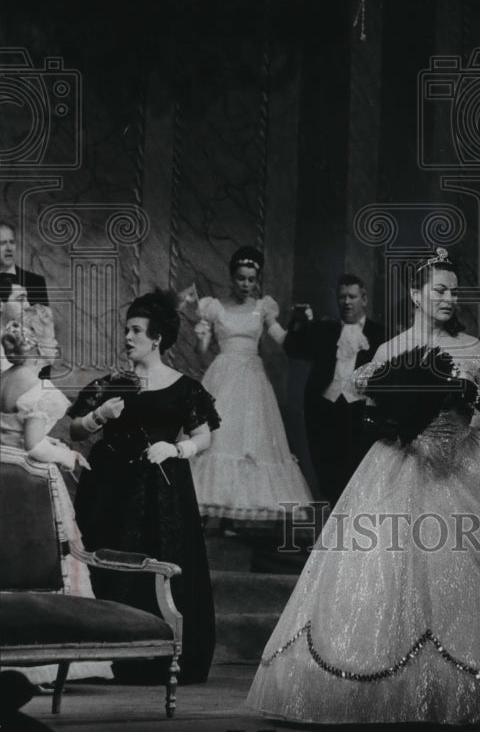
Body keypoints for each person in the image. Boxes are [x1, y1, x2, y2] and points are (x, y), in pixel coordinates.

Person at [246, 250, 480, 725]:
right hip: (402, 463)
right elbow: (366, 414)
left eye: (453, 290)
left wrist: (471, 394)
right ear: (415, 294)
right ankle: (393, 693)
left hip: (469, 461)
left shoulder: (472, 346)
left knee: (474, 575)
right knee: (390, 572)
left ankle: (469, 693)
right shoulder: (391, 349)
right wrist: (400, 421)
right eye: (438, 289)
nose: (447, 297)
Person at [68, 289, 220, 685]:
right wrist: (99, 415)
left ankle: (162, 656)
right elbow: (74, 429)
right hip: (110, 493)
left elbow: (204, 436)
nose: (128, 337)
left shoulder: (185, 388)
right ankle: (111, 657)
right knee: (111, 566)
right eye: (127, 329)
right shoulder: (111, 384)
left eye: (136, 330)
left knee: (161, 566)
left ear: (157, 338)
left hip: (163, 497)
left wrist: (177, 447)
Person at [0, 306, 112, 686]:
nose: (57, 346)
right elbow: (33, 446)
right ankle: (42, 664)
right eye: (53, 339)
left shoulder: (4, 378)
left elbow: (11, 437)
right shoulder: (38, 389)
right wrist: (68, 454)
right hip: (30, 489)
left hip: (3, 481)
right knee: (46, 565)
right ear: (41, 346)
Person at [181, 247, 312, 529]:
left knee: (247, 441)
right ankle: (205, 514)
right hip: (223, 373)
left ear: (257, 280)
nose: (246, 284)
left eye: (251, 279)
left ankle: (232, 517)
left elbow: (283, 339)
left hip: (252, 378)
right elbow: (202, 351)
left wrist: (303, 325)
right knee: (218, 437)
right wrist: (202, 333)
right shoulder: (214, 307)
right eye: (241, 278)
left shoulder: (262, 307)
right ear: (231, 277)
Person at [283, 274, 385, 508]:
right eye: (342, 297)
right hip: (326, 412)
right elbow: (293, 348)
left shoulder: (380, 335)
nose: (347, 302)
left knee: (359, 475)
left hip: (361, 413)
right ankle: (333, 536)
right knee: (329, 476)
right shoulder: (324, 330)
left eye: (352, 296)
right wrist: (299, 321)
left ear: (364, 299)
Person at [0, 221, 49, 307]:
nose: (9, 248)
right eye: (2, 243)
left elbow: (44, 319)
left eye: (12, 242)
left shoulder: (37, 282)